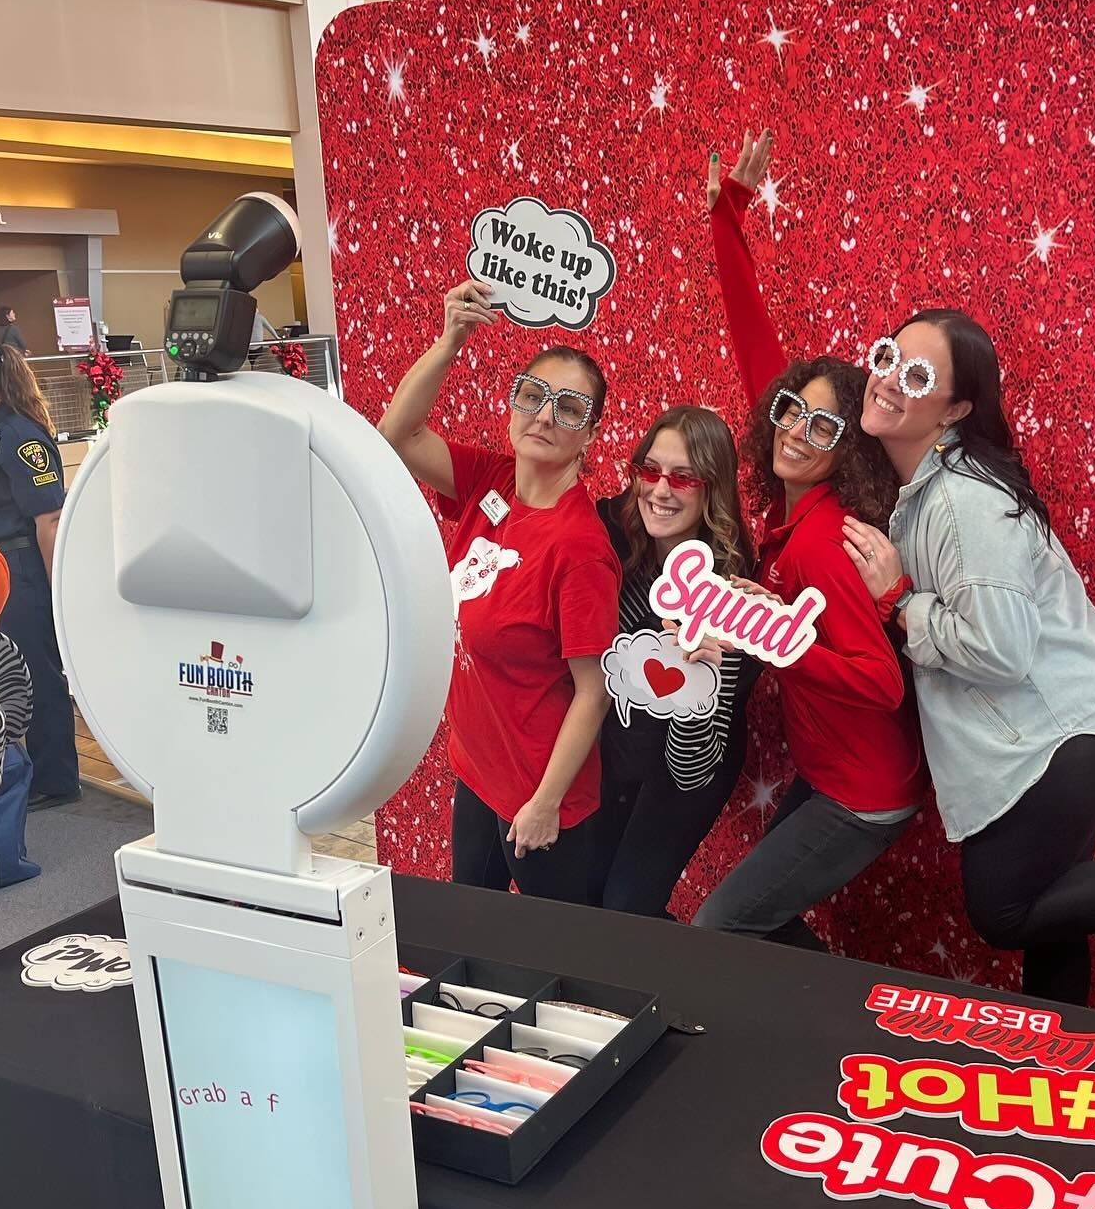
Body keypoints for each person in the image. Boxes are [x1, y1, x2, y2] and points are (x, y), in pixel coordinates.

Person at [661, 116, 1095, 1001]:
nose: (880, 386)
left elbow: (986, 650)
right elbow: (775, 383)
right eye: (887, 361)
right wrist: (729, 223)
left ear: (952, 410)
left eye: (916, 378)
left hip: (1061, 722)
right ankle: (1063, 1064)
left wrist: (894, 601)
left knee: (1005, 910)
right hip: (1045, 719)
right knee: (1048, 909)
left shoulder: (952, 503)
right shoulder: (881, 479)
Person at [688, 149, 928, 943]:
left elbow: (881, 684)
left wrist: (778, 639)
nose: (797, 429)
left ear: (847, 447)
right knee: (757, 917)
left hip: (863, 794)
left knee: (724, 925)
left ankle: (841, 1027)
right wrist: (729, 213)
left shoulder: (827, 541)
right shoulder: (796, 514)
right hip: (831, 776)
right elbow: (749, 333)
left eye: (824, 425)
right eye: (791, 410)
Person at [380, 281, 620, 904]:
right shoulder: (492, 483)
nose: (545, 415)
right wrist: (450, 339)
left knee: (558, 964)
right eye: (534, 395)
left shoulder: (580, 547)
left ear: (590, 434)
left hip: (542, 801)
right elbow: (396, 437)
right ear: (512, 403)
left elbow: (592, 695)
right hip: (480, 773)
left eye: (568, 408)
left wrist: (544, 805)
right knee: (476, 937)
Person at [595, 406, 760, 917]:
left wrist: (696, 688)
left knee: (628, 904)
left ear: (713, 487)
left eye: (684, 477)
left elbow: (692, 770)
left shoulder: (726, 594)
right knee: (589, 890)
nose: (660, 490)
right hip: (621, 740)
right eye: (650, 470)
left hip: (692, 758)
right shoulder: (611, 530)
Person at [0, 338, 80, 808]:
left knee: (37, 675)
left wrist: (56, 589)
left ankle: (57, 780)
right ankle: (6, 774)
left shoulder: (21, 438)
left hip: (22, 566)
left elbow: (48, 520)